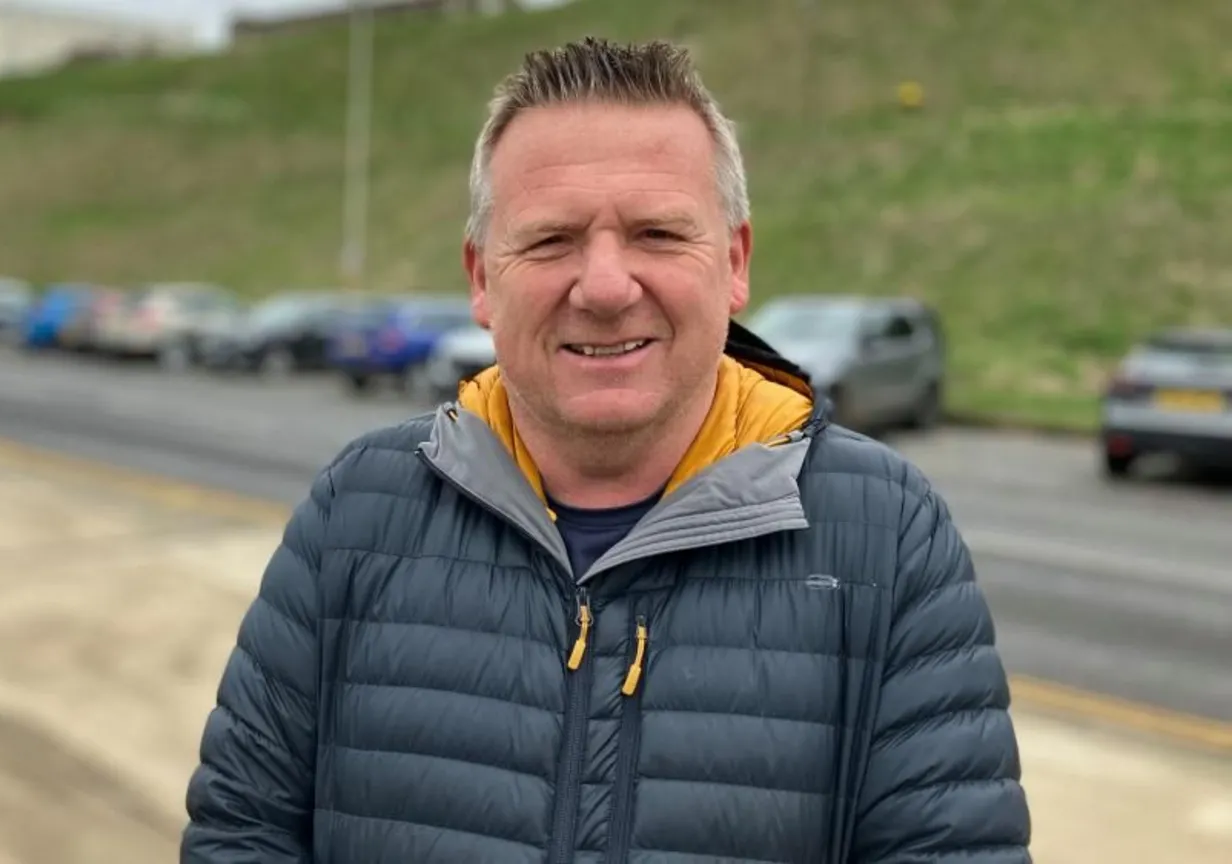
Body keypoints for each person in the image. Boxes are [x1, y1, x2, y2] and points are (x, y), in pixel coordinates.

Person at [181, 36, 1031, 864]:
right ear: (481, 277)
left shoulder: (890, 535)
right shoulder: (358, 510)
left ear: (734, 262)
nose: (605, 287)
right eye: (551, 241)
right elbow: (237, 833)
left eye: (659, 234)